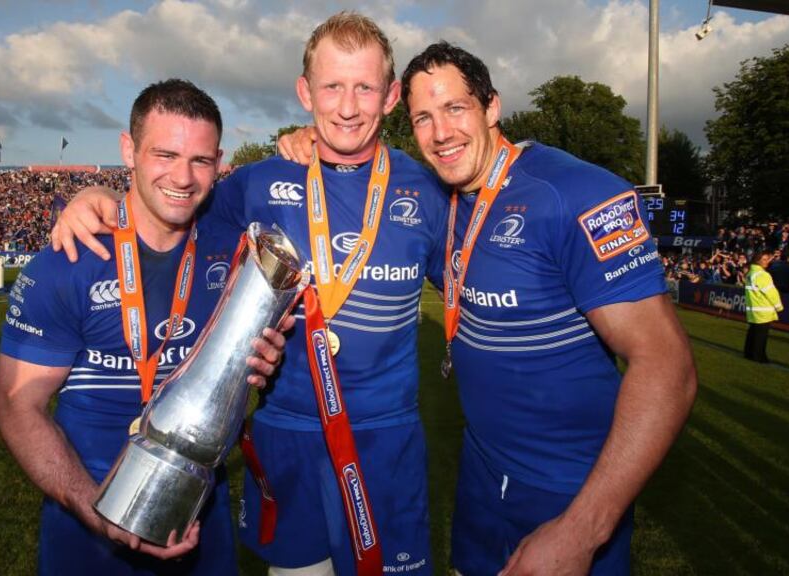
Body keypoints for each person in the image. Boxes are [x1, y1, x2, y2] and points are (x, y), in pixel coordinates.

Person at [51, 13, 446, 576]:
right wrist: (99, 196)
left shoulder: (426, 190)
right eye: (332, 86)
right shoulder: (258, 184)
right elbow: (171, 208)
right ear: (305, 92)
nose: (347, 106)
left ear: (390, 96)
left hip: (386, 440)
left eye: (364, 87)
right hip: (286, 437)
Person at [280, 40, 696, 575]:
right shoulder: (448, 202)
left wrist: (582, 529)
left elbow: (667, 365)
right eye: (423, 117)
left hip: (569, 491)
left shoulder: (574, 193)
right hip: (479, 482)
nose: (441, 132)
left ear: (492, 106)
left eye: (455, 108)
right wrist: (313, 140)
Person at [0, 79, 288, 575]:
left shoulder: (232, 250)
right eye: (165, 154)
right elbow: (18, 405)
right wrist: (97, 511)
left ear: (219, 161)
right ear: (128, 150)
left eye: (200, 160)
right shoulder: (67, 264)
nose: (183, 177)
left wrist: (264, 358)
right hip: (86, 523)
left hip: (201, 519)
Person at [744, 250, 783, 363]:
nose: (767, 262)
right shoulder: (762, 275)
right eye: (764, 260)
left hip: (754, 309)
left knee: (753, 333)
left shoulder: (751, 273)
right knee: (761, 336)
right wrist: (778, 306)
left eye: (767, 259)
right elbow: (771, 292)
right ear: (758, 261)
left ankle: (749, 354)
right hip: (763, 309)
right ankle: (759, 357)